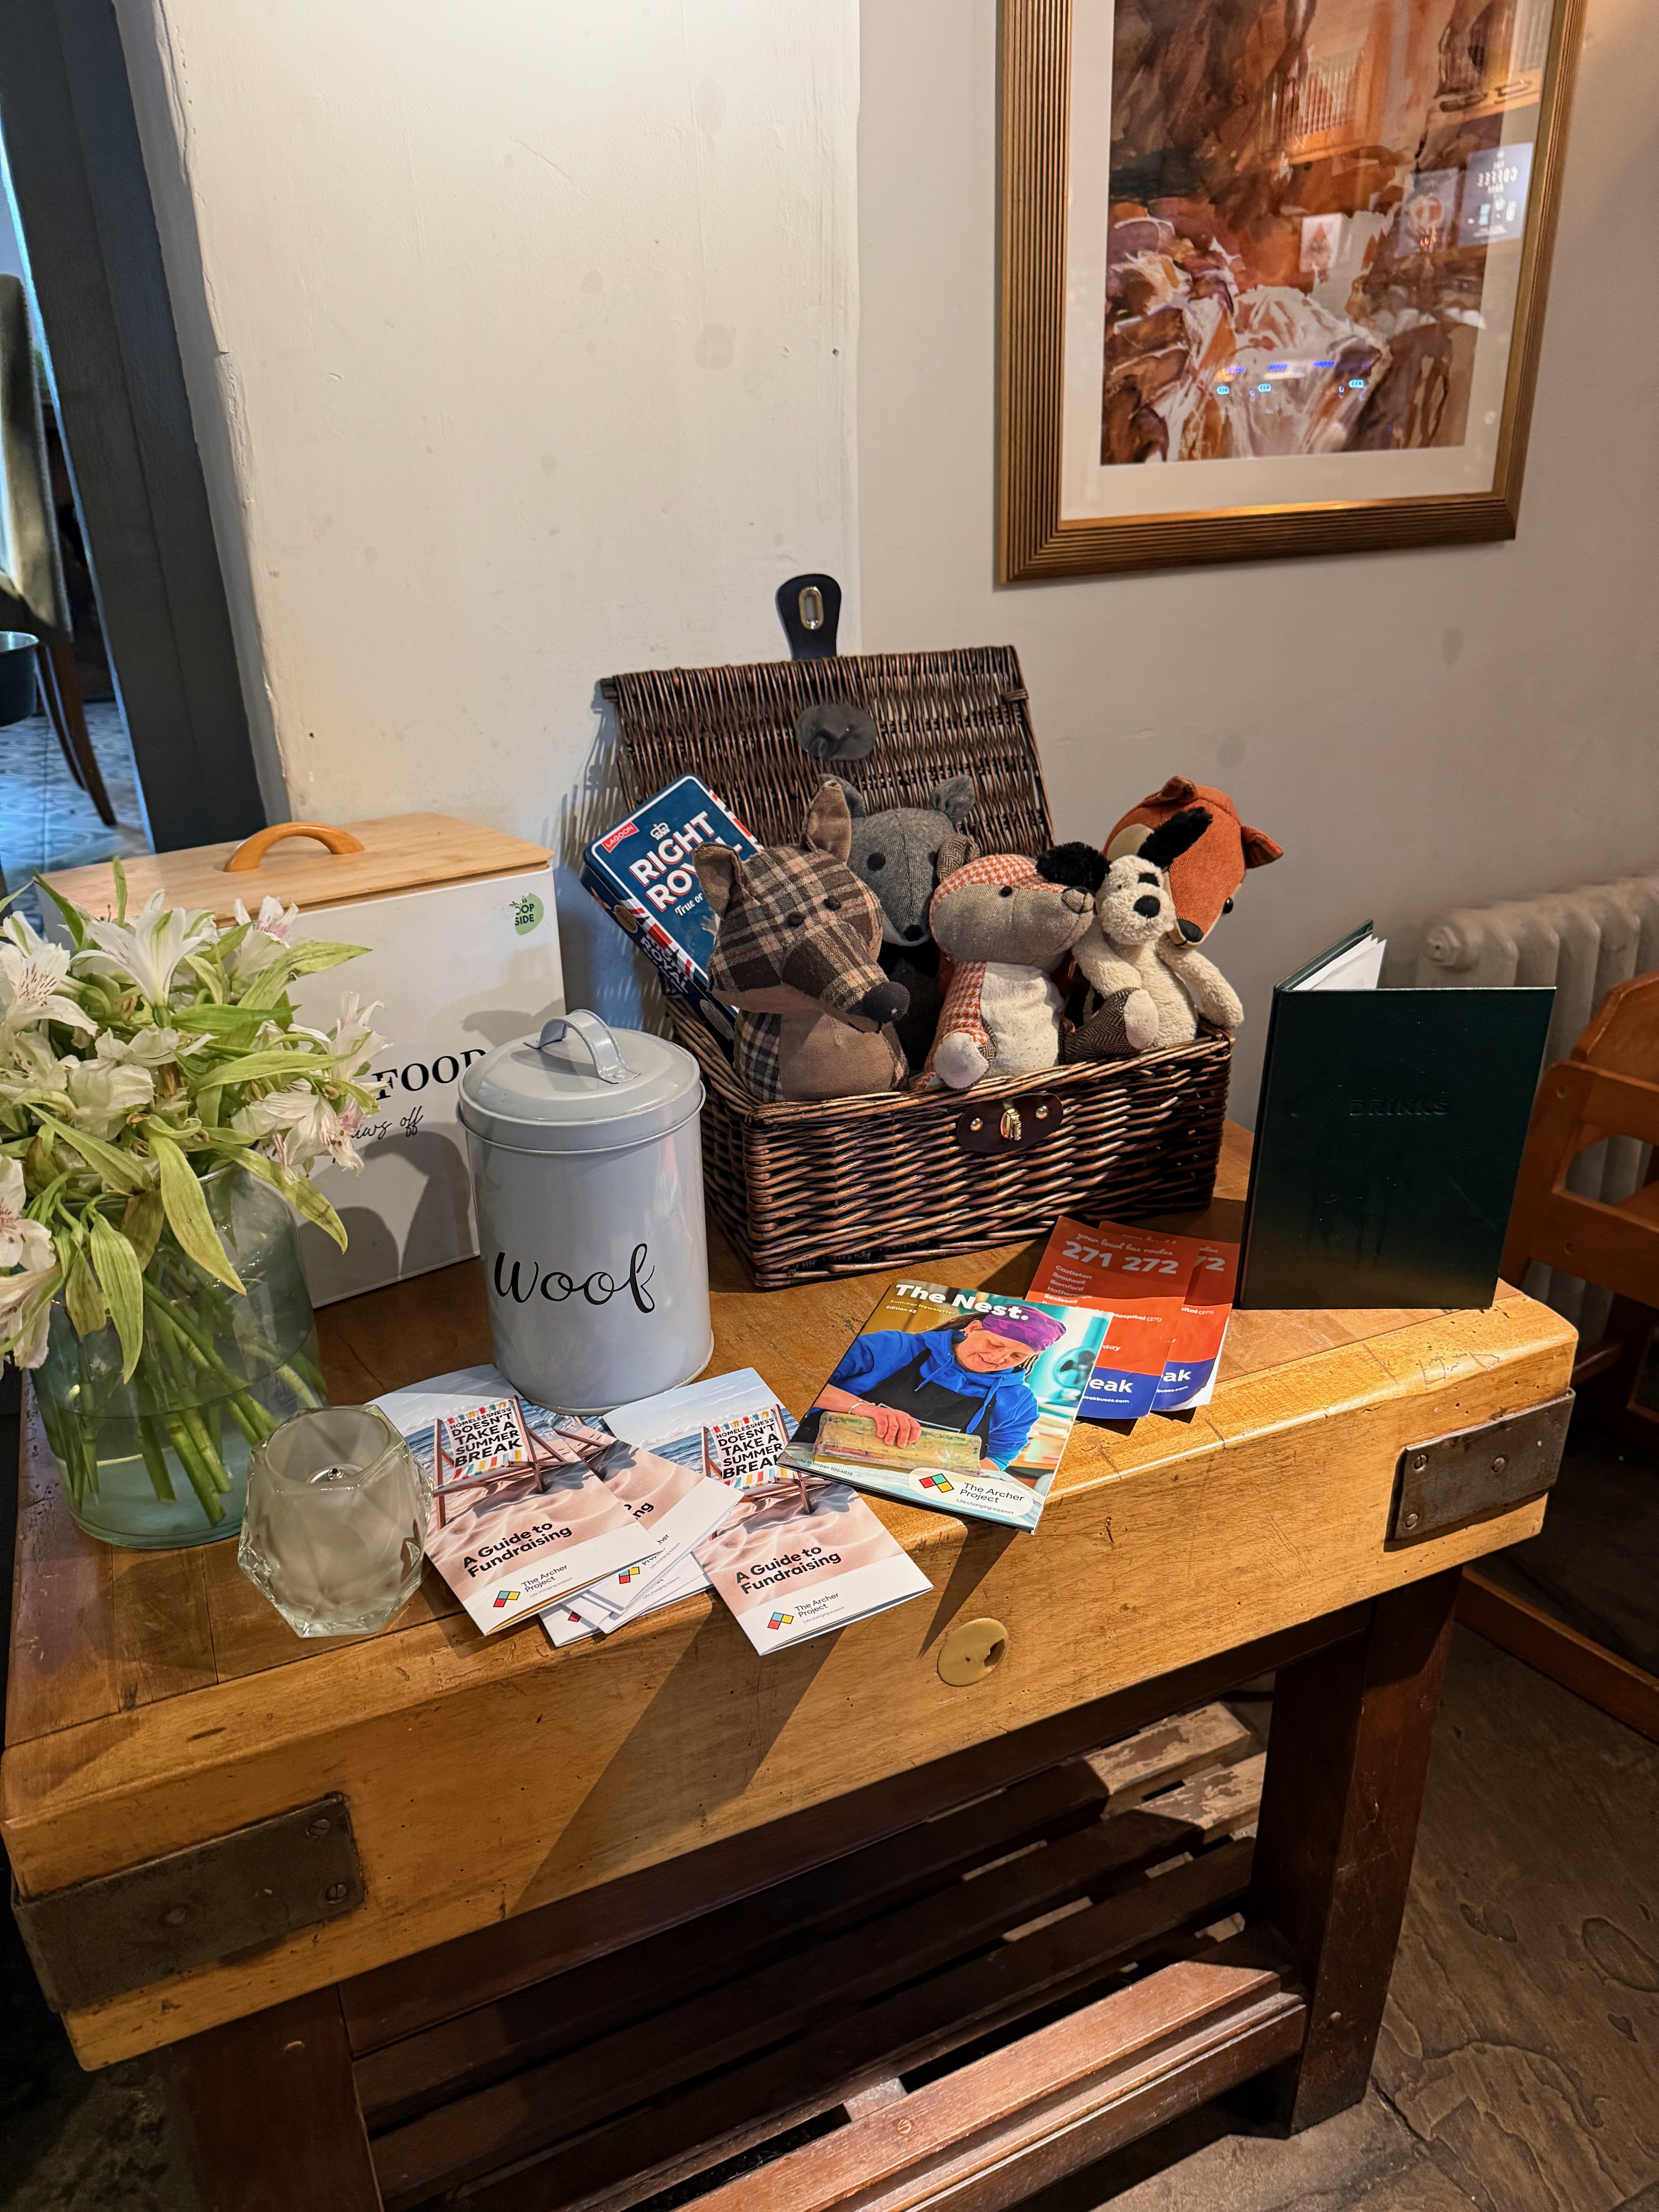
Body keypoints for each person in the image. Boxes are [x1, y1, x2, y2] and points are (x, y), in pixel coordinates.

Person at [798, 1304, 1066, 1475]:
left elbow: (998, 1456)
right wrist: (863, 1409)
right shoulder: (892, 1347)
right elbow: (806, 1383)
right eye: (995, 1345)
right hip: (816, 1461)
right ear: (973, 1329)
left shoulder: (1019, 1402)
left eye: (1016, 1357)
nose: (998, 1359)